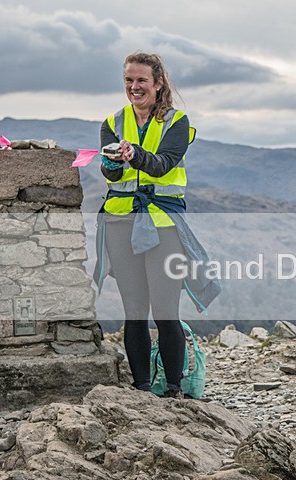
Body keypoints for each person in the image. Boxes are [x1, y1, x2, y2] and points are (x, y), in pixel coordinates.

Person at [92, 52, 220, 398]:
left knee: (165, 309)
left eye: (141, 80)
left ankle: (174, 389)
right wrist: (112, 164)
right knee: (134, 309)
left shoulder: (177, 121)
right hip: (120, 220)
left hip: (163, 223)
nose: (134, 87)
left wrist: (135, 154)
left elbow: (163, 164)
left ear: (158, 83)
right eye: (129, 80)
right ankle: (142, 388)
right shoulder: (112, 122)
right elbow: (111, 175)